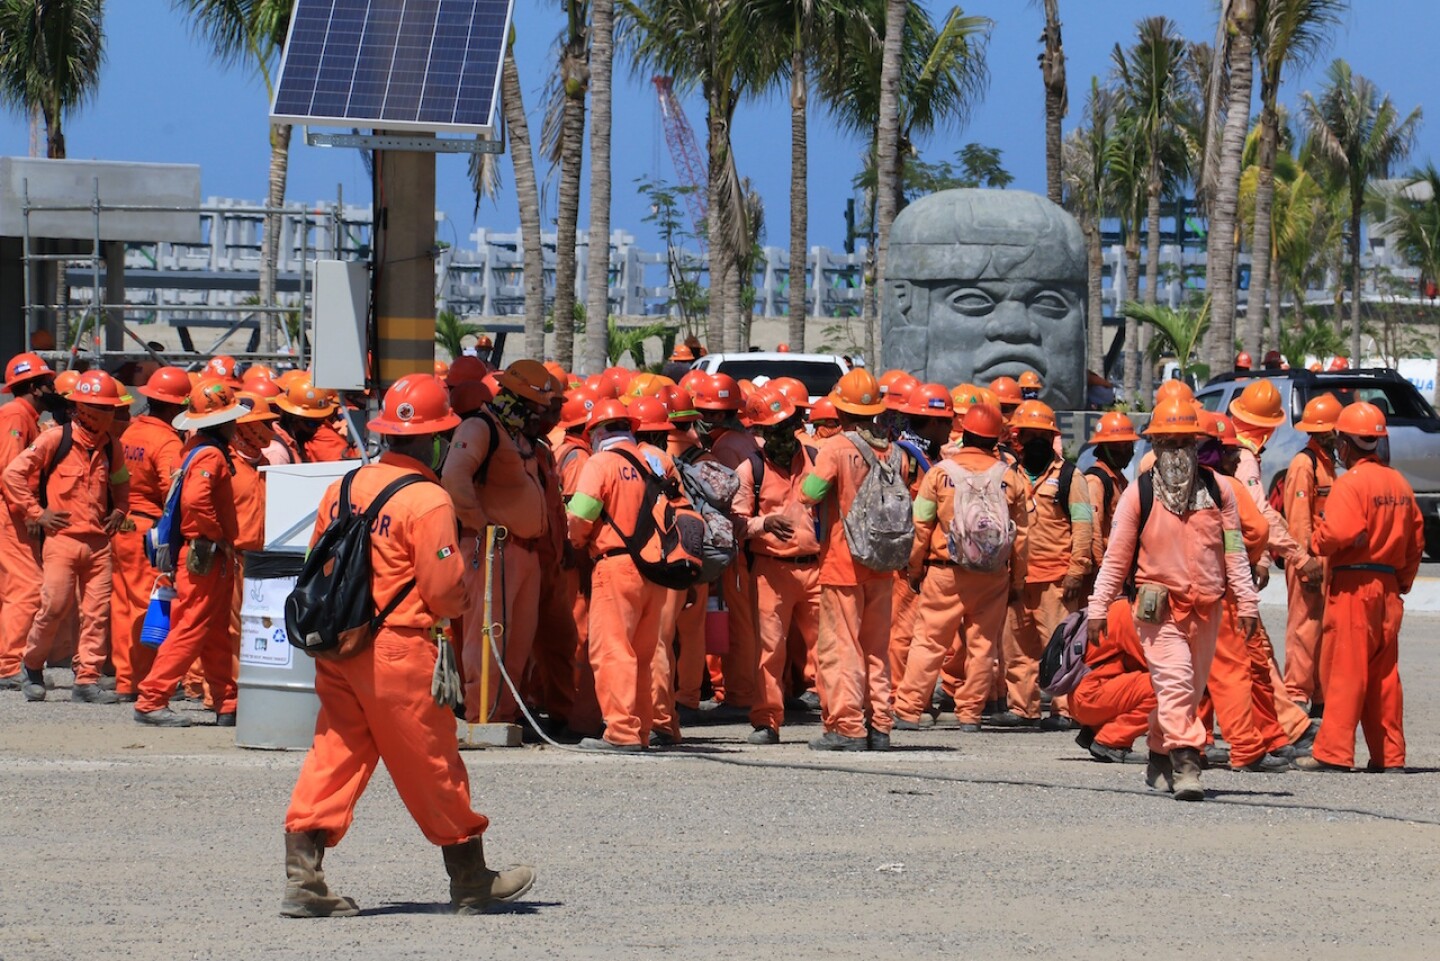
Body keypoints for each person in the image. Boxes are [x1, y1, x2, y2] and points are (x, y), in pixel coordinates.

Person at [282, 373, 533, 917]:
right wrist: (460, 598)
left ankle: (304, 880)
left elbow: (319, 561)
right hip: (399, 649)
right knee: (433, 762)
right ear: (436, 439)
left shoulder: (345, 485)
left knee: (336, 753)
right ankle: (471, 880)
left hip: (339, 645)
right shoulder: (428, 499)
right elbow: (442, 592)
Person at [1085, 399, 1260, 802]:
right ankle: (1187, 766)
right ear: (1155, 445)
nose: (1176, 451)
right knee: (1177, 683)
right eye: (1167, 442)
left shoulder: (1220, 490)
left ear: (1197, 444)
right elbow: (1116, 558)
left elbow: (1234, 550)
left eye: (1184, 442)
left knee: (1186, 692)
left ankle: (1158, 754)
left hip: (1207, 609)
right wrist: (1098, 608)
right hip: (1158, 612)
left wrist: (1247, 602)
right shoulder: (1139, 494)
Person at [1298, 402, 1423, 774]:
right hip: (1388, 588)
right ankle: (1390, 755)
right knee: (1385, 676)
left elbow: (1339, 531)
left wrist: (1317, 541)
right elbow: (1416, 541)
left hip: (1354, 587)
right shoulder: (1399, 484)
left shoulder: (1350, 484)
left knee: (1344, 670)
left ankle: (1333, 753)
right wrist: (1401, 582)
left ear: (1346, 443)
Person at [893, 403, 1027, 733]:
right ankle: (970, 714)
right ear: (995, 439)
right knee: (983, 646)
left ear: (964, 434)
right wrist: (1017, 582)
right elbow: (1021, 537)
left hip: (945, 572)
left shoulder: (940, 474)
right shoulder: (1010, 478)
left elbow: (921, 525)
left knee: (929, 641)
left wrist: (914, 569)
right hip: (993, 575)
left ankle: (908, 710)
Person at [4, 370, 130, 703]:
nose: (111, 414)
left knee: (96, 614)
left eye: (111, 408)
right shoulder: (54, 440)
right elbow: (13, 475)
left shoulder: (111, 447)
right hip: (62, 541)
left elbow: (121, 482)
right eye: (105, 408)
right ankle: (32, 666)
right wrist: (37, 513)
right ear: (84, 408)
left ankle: (86, 679)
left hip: (98, 545)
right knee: (53, 607)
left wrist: (122, 508)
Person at [441, 359, 554, 727]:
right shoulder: (480, 427)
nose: (544, 414)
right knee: (487, 637)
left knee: (518, 641)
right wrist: (480, 523)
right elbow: (454, 477)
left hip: (523, 552)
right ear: (519, 401)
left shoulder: (516, 434)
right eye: (538, 406)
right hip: (492, 549)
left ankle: (505, 714)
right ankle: (483, 715)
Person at [133, 382, 246, 727]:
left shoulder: (192, 448)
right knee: (191, 628)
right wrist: (217, 535)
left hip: (202, 554)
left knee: (213, 631)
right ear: (223, 422)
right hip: (205, 554)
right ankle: (152, 699)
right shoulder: (211, 454)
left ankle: (227, 702)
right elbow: (196, 500)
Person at [799, 368, 900, 752]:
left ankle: (847, 727)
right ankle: (880, 726)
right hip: (883, 562)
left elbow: (809, 493)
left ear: (840, 411)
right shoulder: (893, 451)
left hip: (844, 562)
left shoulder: (836, 448)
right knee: (876, 649)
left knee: (841, 648)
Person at [566, 399, 673, 752]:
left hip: (615, 565)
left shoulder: (601, 463)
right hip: (654, 569)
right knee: (642, 655)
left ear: (596, 433)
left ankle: (621, 732)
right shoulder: (651, 463)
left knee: (612, 650)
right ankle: (640, 731)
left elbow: (581, 515)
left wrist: (576, 541)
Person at [732, 388, 821, 745]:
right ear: (761, 432)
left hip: (817, 568)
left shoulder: (817, 460)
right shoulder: (749, 469)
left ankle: (839, 720)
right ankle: (767, 721)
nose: (782, 434)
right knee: (770, 650)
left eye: (787, 425)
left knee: (829, 649)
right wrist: (764, 524)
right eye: (774, 429)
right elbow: (736, 523)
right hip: (771, 571)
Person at [997, 400, 1092, 729]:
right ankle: (1023, 708)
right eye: (1030, 434)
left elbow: (1083, 527)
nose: (1036, 441)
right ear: (1019, 438)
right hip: (1016, 579)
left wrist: (1077, 570)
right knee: (1016, 647)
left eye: (1043, 435)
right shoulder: (1009, 476)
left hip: (1057, 580)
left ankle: (1065, 710)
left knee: (1061, 646)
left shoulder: (1070, 477)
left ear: (1052, 438)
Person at [110, 367, 188, 700]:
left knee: (123, 605)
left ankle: (126, 679)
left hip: (123, 526)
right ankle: (145, 680)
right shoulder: (167, 441)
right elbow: (173, 493)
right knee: (150, 604)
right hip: (149, 532)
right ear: (175, 407)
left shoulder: (131, 432)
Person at [691, 372, 760, 714]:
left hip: (738, 543)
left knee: (739, 623)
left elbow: (724, 499)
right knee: (750, 621)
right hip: (753, 543)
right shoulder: (748, 440)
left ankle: (741, 694)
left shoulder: (724, 447)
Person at [0, 353, 61, 690]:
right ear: (36, 388)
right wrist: (30, 511)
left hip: (13, 510)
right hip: (11, 512)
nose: (53, 388)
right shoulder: (15, 415)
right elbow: (10, 471)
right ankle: (10, 665)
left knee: (16, 586)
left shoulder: (26, 416)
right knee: (26, 587)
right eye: (49, 383)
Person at [1281, 394, 1342, 711]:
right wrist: (1305, 562)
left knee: (1321, 628)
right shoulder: (1305, 464)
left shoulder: (1325, 463)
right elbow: (1299, 520)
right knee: (1304, 627)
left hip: (1323, 559)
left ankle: (1317, 694)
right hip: (1309, 559)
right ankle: (1296, 693)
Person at [1071, 600, 1155, 762]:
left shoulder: (1118, 607)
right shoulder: (1128, 612)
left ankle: (1095, 731)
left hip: (1087, 692)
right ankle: (1111, 741)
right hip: (1090, 695)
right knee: (1165, 686)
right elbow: (1151, 661)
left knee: (1153, 681)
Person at [1084, 412, 1139, 551]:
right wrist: (1100, 563)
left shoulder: (1120, 481)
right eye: (1117, 446)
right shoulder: (1095, 482)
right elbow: (1093, 531)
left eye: (1127, 445)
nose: (1124, 451)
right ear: (1104, 448)